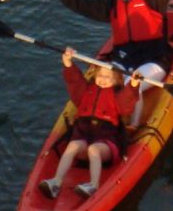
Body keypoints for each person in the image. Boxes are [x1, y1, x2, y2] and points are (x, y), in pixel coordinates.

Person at [52, 0, 173, 128]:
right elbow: (82, 5)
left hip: (153, 60)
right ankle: (98, 118)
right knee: (104, 82)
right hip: (122, 59)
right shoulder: (113, 2)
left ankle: (130, 128)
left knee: (131, 86)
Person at [38, 48, 141, 199]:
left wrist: (133, 84)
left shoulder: (117, 95)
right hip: (83, 138)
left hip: (107, 145)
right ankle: (56, 182)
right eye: (100, 75)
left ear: (117, 79)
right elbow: (74, 81)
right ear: (95, 75)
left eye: (108, 77)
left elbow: (127, 103)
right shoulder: (86, 90)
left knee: (94, 149)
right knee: (72, 146)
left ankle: (93, 185)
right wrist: (67, 63)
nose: (103, 79)